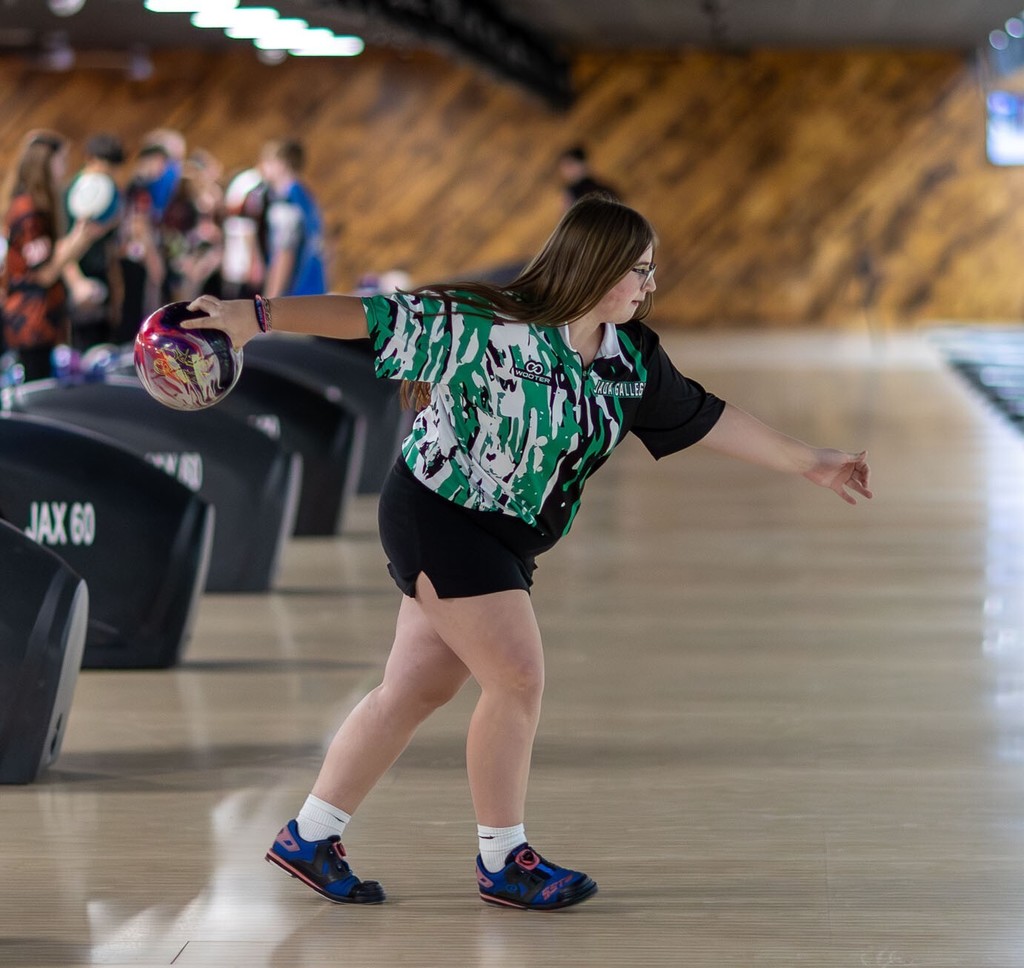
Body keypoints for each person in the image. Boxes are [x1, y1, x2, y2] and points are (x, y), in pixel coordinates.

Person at [184, 195, 872, 911]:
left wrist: (810, 462)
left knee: (417, 687)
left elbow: (703, 415)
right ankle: (503, 858)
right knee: (516, 676)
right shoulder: (489, 324)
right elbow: (369, 316)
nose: (650, 284)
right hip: (439, 512)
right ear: (600, 269)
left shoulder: (628, 357)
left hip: (504, 536)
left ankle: (310, 835)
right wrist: (251, 318)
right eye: (640, 269)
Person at [1, 131, 105, 380]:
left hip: (41, 316)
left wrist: (82, 238)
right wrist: (81, 237)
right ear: (45, 163)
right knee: (36, 387)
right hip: (30, 318)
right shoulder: (28, 211)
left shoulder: (36, 205)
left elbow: (52, 260)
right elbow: (44, 274)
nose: (64, 167)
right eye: (61, 160)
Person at [63, 131, 125, 351]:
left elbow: (110, 248)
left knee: (104, 346)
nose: (106, 175)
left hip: (102, 278)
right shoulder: (71, 194)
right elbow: (61, 245)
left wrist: (117, 293)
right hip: (76, 280)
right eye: (104, 168)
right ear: (90, 159)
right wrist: (76, 283)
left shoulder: (113, 195)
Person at [258, 138, 327, 297]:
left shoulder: (286, 201)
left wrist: (268, 301)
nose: (262, 166)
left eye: (268, 161)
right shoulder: (306, 196)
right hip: (314, 290)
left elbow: (284, 252)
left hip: (293, 294)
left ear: (282, 164)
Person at [558, 144, 621, 208]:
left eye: (570, 165)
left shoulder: (601, 190)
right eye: (564, 168)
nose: (567, 171)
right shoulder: (571, 194)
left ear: (582, 163)